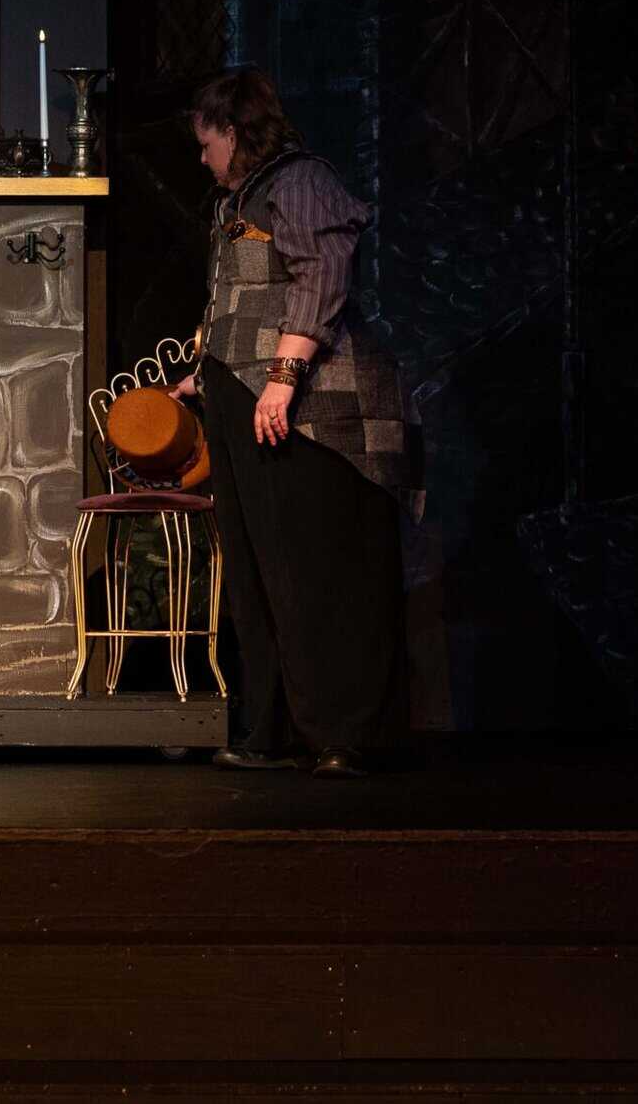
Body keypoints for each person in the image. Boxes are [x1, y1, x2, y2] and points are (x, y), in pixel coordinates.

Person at [177, 68, 413, 778]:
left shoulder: (301, 181)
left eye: (207, 142)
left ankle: (343, 732)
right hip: (240, 396)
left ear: (235, 132)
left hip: (313, 413)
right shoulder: (238, 199)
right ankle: (271, 727)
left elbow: (321, 273)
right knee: (258, 571)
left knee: (314, 568)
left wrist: (282, 378)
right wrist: (204, 370)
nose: (201, 158)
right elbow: (241, 294)